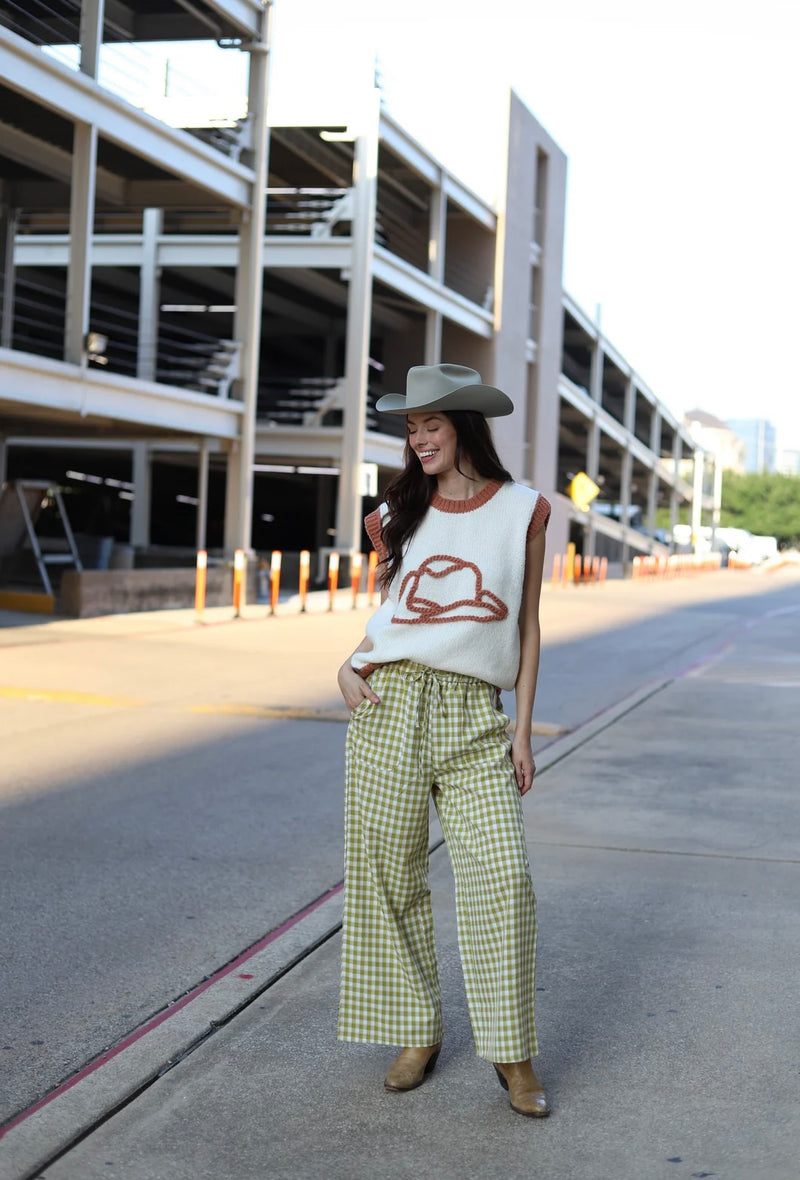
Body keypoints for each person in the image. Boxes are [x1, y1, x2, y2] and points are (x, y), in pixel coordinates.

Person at [336, 363, 551, 1118]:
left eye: (432, 424)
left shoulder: (524, 509)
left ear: (463, 425)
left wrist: (521, 732)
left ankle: (512, 1054)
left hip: (472, 712)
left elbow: (524, 624)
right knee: (387, 876)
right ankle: (415, 1033)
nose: (419, 438)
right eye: (411, 427)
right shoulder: (397, 511)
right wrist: (346, 663)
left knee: (503, 880)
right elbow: (388, 613)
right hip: (389, 701)